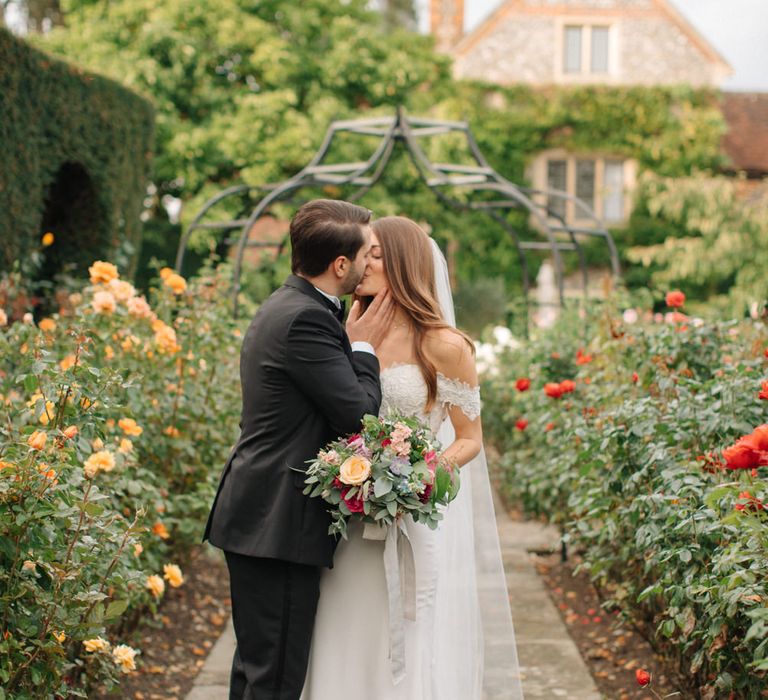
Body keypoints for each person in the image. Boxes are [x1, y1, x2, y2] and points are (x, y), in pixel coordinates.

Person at [301, 216, 524, 699]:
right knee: (340, 633)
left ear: (404, 262)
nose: (364, 263)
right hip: (343, 521)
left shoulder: (444, 345)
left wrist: (420, 475)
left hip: (408, 519)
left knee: (407, 636)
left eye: (376, 254)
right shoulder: (342, 330)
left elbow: (469, 439)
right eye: (364, 252)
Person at [204, 199, 394, 700]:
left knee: (257, 671)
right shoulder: (306, 320)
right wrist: (364, 349)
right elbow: (360, 416)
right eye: (367, 255)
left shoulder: (287, 305)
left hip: (261, 517)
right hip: (278, 522)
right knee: (274, 679)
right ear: (340, 265)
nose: (371, 265)